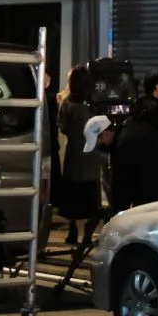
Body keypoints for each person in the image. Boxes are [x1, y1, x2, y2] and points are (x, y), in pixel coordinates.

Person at [56, 66, 103, 243]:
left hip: (74, 153)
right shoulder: (93, 103)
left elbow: (62, 126)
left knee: (73, 192)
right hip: (91, 152)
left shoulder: (66, 103)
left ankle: (73, 230)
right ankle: (88, 235)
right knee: (91, 193)